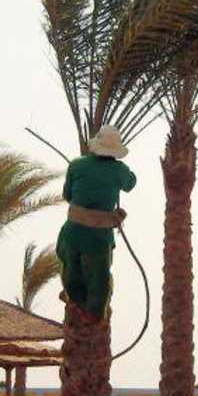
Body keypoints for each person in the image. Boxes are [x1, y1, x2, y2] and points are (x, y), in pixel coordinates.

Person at [55, 125, 137, 322]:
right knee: (99, 276)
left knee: (70, 266)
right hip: (99, 236)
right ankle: (93, 315)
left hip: (73, 231)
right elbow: (130, 184)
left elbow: (67, 195)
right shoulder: (119, 170)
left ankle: (75, 301)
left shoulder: (76, 165)